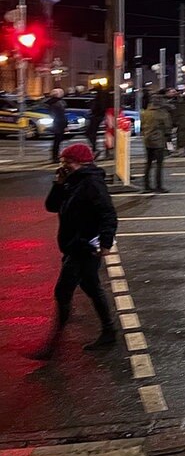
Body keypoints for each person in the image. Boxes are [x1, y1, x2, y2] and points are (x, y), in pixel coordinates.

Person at [29, 143, 118, 360]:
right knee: (91, 286)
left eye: (67, 162)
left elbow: (108, 214)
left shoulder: (92, 184)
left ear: (79, 162)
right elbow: (51, 206)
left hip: (84, 247)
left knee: (63, 291)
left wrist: (105, 243)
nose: (63, 165)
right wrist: (58, 184)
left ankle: (52, 344)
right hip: (73, 245)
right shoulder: (72, 181)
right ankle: (109, 331)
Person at [140, 95, 173, 193]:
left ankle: (146, 186)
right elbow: (168, 128)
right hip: (159, 141)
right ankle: (158, 186)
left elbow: (142, 126)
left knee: (148, 164)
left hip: (147, 140)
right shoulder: (162, 114)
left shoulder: (145, 113)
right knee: (159, 164)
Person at [44, 88, 68, 163]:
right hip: (59, 123)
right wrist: (65, 125)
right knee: (57, 141)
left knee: (57, 141)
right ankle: (55, 157)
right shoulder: (58, 103)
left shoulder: (51, 102)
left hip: (56, 123)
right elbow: (61, 115)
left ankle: (55, 156)